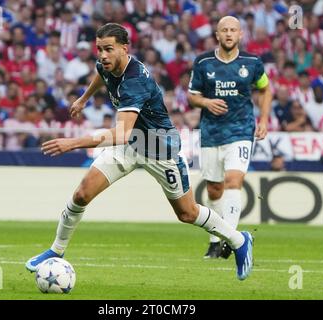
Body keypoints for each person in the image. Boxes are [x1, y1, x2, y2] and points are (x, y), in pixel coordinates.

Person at [25, 23, 253, 281]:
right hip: (130, 144)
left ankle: (239, 239)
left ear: (125, 48)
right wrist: (84, 98)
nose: (102, 55)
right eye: (99, 49)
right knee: (81, 194)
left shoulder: (135, 81)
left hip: (159, 148)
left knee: (187, 213)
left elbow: (120, 133)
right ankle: (56, 250)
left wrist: (72, 142)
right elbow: (101, 74)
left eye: (108, 49)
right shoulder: (107, 64)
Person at [187, 16, 272, 259]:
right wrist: (205, 101)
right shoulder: (203, 62)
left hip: (241, 130)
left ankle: (231, 240)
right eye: (224, 30)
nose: (228, 34)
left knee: (234, 181)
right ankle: (215, 240)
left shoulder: (252, 62)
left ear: (240, 34)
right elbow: (192, 96)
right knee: (214, 189)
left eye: (233, 30)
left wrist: (264, 120)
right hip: (211, 132)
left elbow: (266, 89)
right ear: (217, 34)